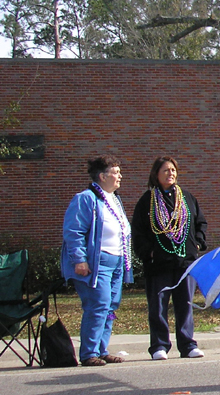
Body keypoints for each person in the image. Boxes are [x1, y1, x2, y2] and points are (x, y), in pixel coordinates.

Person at [131, 156, 208, 361]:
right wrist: (150, 252)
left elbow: (200, 223)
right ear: (156, 174)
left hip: (185, 262)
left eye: (173, 170)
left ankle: (187, 344)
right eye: (166, 170)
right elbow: (137, 231)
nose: (171, 174)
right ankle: (159, 345)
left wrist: (198, 243)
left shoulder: (187, 198)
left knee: (185, 304)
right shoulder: (147, 200)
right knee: (158, 306)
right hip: (159, 264)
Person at [61, 155, 133, 367]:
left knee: (110, 306)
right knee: (98, 305)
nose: (120, 176)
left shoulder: (114, 199)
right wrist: (79, 260)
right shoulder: (85, 199)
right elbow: (73, 232)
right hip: (96, 263)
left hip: (117, 261)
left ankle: (102, 349)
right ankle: (89, 353)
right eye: (115, 172)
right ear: (102, 176)